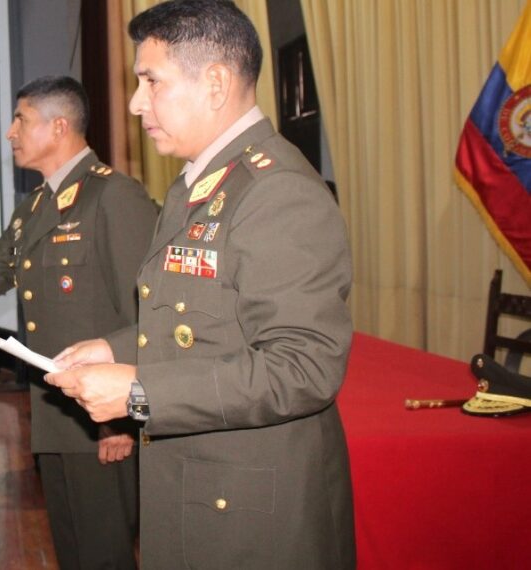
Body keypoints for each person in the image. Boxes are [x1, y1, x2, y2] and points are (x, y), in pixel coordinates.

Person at [44, 1, 356, 568]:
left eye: (150, 81)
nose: (137, 103)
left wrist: (141, 391)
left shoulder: (276, 190)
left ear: (215, 83)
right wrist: (113, 347)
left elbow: (303, 368)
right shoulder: (202, 184)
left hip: (252, 517)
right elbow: (198, 321)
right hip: (200, 489)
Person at [0, 76, 158, 569]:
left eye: (20, 119)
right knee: (71, 548)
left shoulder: (114, 196)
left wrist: (123, 418)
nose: (10, 132)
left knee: (105, 553)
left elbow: (143, 311)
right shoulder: (37, 207)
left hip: (103, 413)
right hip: (58, 413)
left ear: (58, 126)